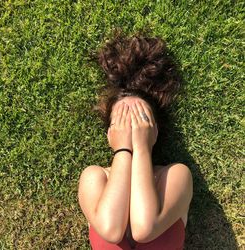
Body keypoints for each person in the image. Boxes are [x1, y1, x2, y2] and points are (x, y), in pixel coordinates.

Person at [78, 32, 193, 250]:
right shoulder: (94, 177)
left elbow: (144, 228)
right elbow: (111, 230)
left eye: (140, 120)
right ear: (110, 134)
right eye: (121, 122)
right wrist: (123, 150)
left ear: (154, 131)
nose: (130, 127)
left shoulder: (175, 175)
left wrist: (141, 147)